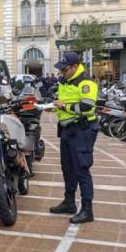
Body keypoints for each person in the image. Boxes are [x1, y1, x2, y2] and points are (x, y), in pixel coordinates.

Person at [49, 51, 99, 224]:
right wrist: (54, 107)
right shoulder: (65, 81)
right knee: (67, 167)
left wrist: (64, 106)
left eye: (65, 69)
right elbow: (63, 102)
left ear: (75, 67)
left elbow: (87, 107)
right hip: (67, 130)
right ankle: (69, 202)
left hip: (82, 130)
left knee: (82, 168)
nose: (62, 72)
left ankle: (87, 209)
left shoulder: (86, 82)